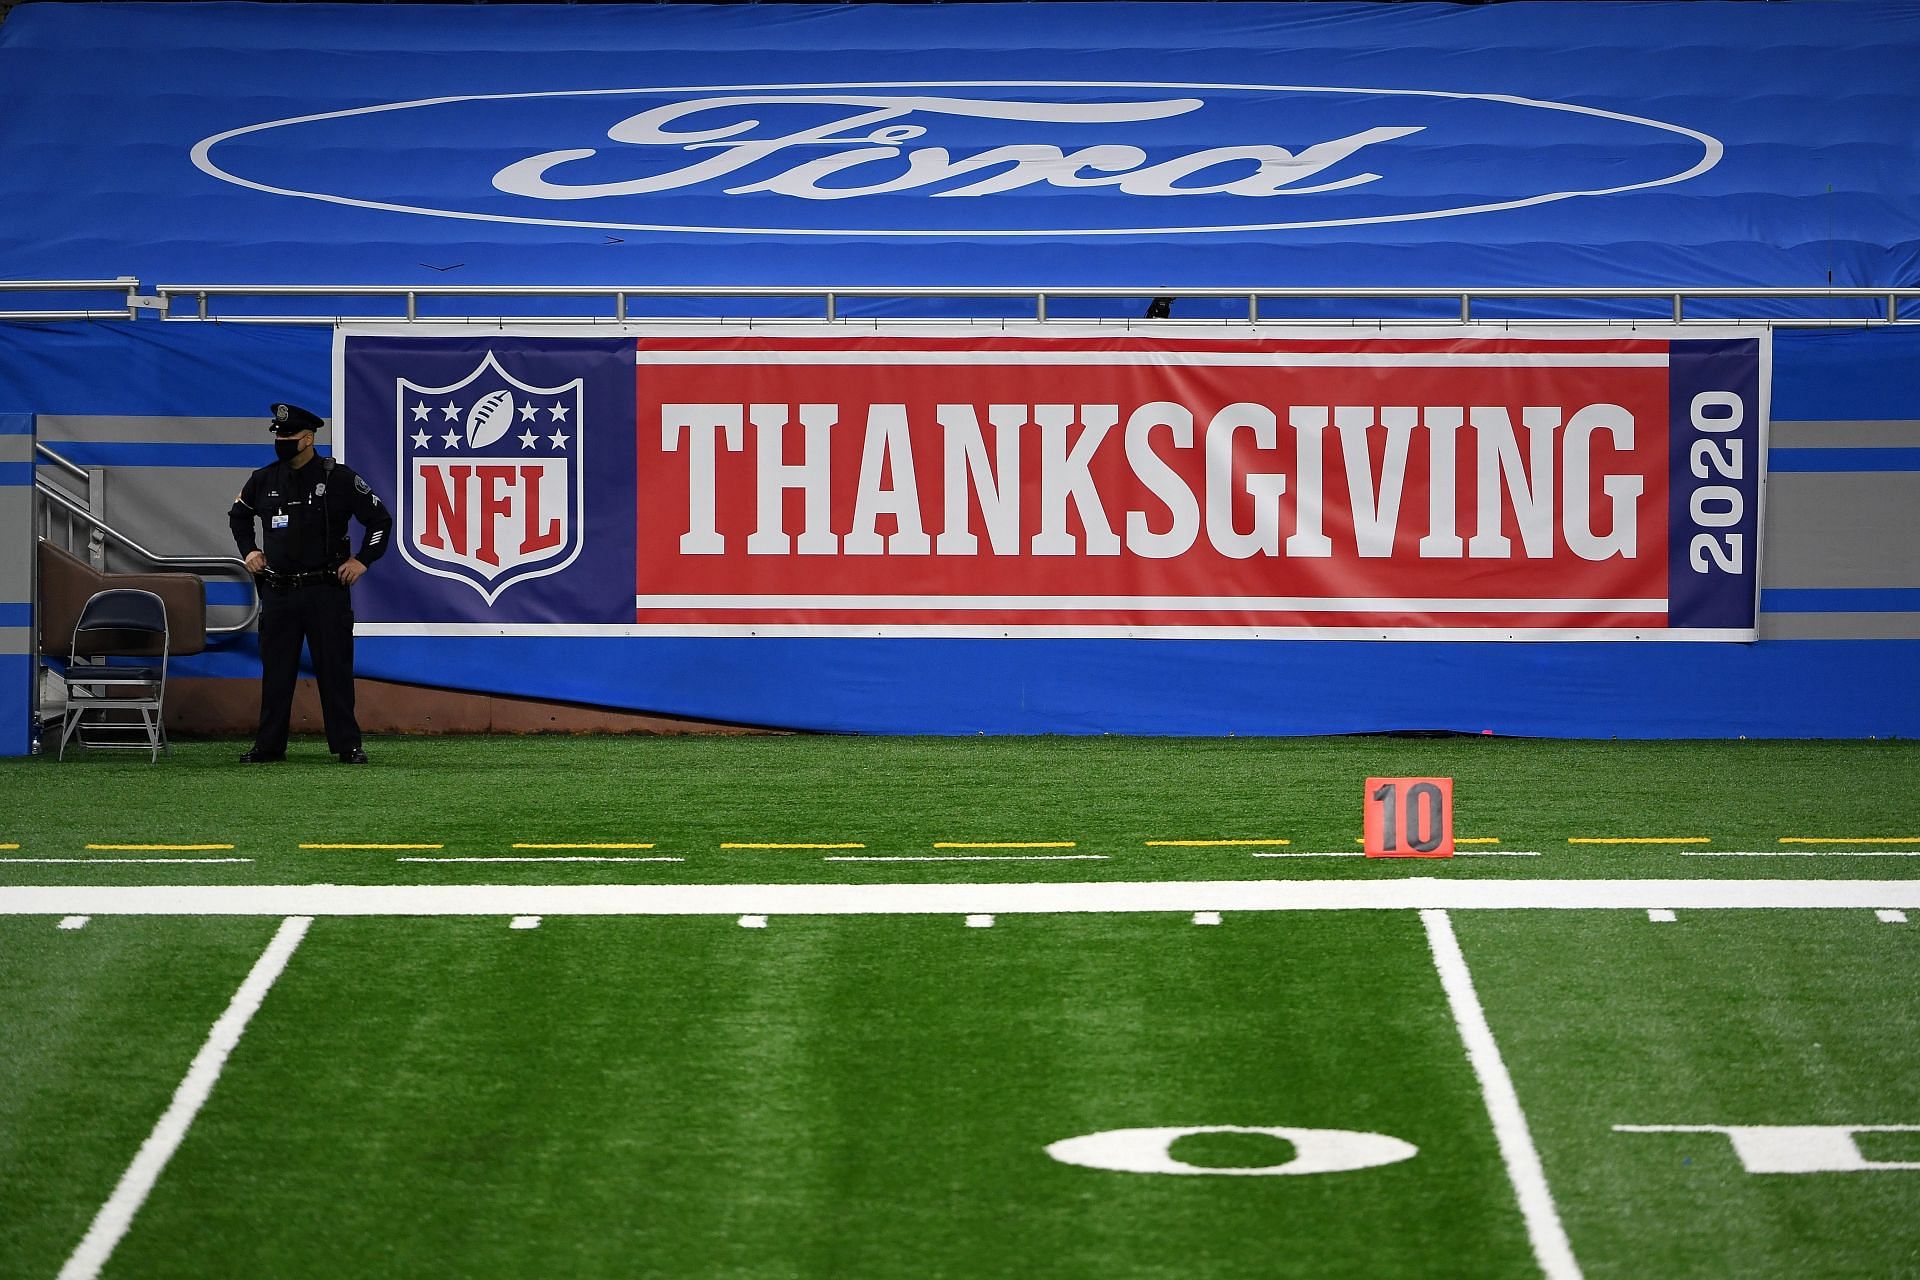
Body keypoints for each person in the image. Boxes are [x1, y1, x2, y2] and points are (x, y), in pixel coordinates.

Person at [228, 402, 393, 764]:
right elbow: (238, 517)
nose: (282, 441)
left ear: (309, 438)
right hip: (278, 591)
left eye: (289, 436)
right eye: (279, 435)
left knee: (335, 671)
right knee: (276, 673)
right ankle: (269, 746)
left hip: (325, 591)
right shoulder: (263, 479)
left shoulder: (341, 479)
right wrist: (249, 551)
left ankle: (347, 745)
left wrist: (362, 560)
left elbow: (380, 521)